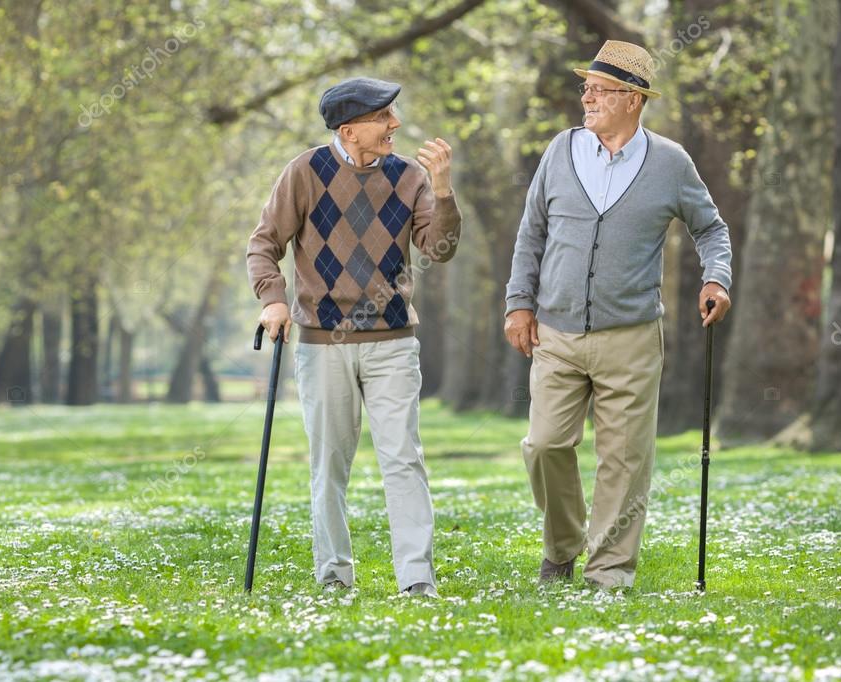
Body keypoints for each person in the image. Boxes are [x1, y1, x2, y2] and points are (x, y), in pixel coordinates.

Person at [504, 41, 733, 589]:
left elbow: (711, 228)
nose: (586, 97)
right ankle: (562, 546)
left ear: (632, 99)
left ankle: (608, 571)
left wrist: (716, 277)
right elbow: (531, 231)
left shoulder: (671, 163)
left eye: (599, 90)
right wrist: (518, 303)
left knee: (624, 461)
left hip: (630, 336)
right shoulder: (561, 150)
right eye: (586, 87)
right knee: (544, 446)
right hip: (556, 332)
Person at [247, 77, 462, 597]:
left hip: (392, 340)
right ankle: (334, 577)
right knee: (330, 464)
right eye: (384, 117)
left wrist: (444, 191)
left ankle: (417, 578)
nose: (396, 124)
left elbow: (440, 249)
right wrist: (273, 299)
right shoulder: (305, 172)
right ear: (349, 129)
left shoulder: (410, 175)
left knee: (403, 458)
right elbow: (264, 244)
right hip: (324, 342)